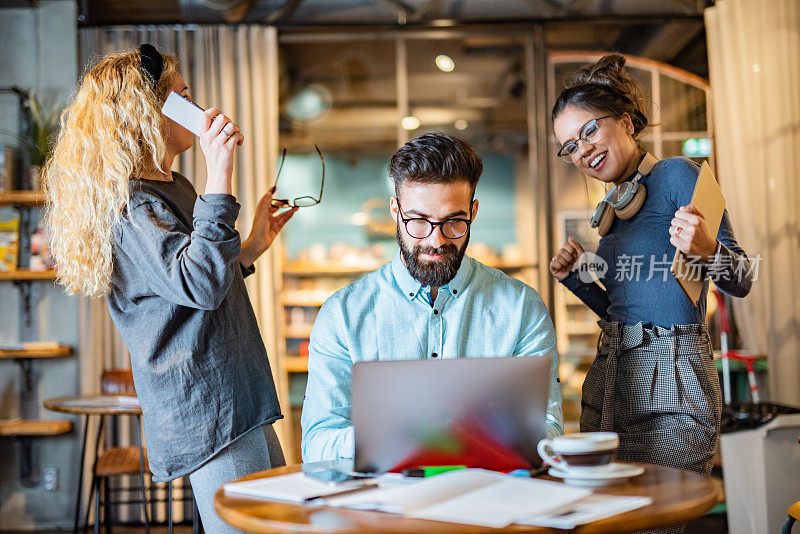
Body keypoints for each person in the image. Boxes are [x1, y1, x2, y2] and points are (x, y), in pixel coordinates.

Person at [43, 44, 296, 531]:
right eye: (182, 96)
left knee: (274, 524)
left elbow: (196, 280)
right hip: (209, 406)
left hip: (236, 394)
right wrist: (219, 174)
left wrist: (253, 245)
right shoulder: (133, 208)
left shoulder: (173, 187)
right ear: (145, 112)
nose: (198, 107)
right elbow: (200, 285)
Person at [550, 54, 753, 480]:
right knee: (609, 516)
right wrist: (575, 280)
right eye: (570, 147)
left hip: (671, 378)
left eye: (589, 130)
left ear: (625, 121)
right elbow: (618, 312)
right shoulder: (611, 214)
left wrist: (705, 249)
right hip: (610, 373)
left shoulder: (678, 175)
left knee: (656, 517)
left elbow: (743, 279)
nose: (582, 150)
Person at [301, 132, 563, 463]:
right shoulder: (343, 314)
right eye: (419, 221)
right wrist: (416, 434)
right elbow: (316, 446)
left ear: (473, 211)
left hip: (488, 501)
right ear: (395, 211)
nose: (436, 241)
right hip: (381, 507)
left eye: (454, 222)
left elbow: (549, 432)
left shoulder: (521, 308)